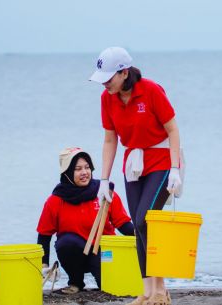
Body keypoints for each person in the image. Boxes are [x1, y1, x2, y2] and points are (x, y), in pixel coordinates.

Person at [89, 47, 182, 305]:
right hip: (134, 165)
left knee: (145, 221)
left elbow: (173, 129)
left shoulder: (151, 90)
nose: (105, 84)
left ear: (124, 73)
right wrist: (104, 180)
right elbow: (110, 139)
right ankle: (147, 291)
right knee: (138, 227)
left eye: (109, 78)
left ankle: (161, 290)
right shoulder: (107, 98)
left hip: (162, 161)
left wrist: (175, 169)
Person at [36, 147, 134, 294]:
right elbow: (44, 235)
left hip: (103, 254)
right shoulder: (56, 200)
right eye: (78, 169)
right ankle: (75, 282)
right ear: (67, 173)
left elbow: (123, 224)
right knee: (66, 243)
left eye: (87, 167)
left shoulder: (104, 192)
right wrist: (44, 266)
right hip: (74, 253)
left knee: (110, 288)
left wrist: (143, 235)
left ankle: (105, 277)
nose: (84, 172)